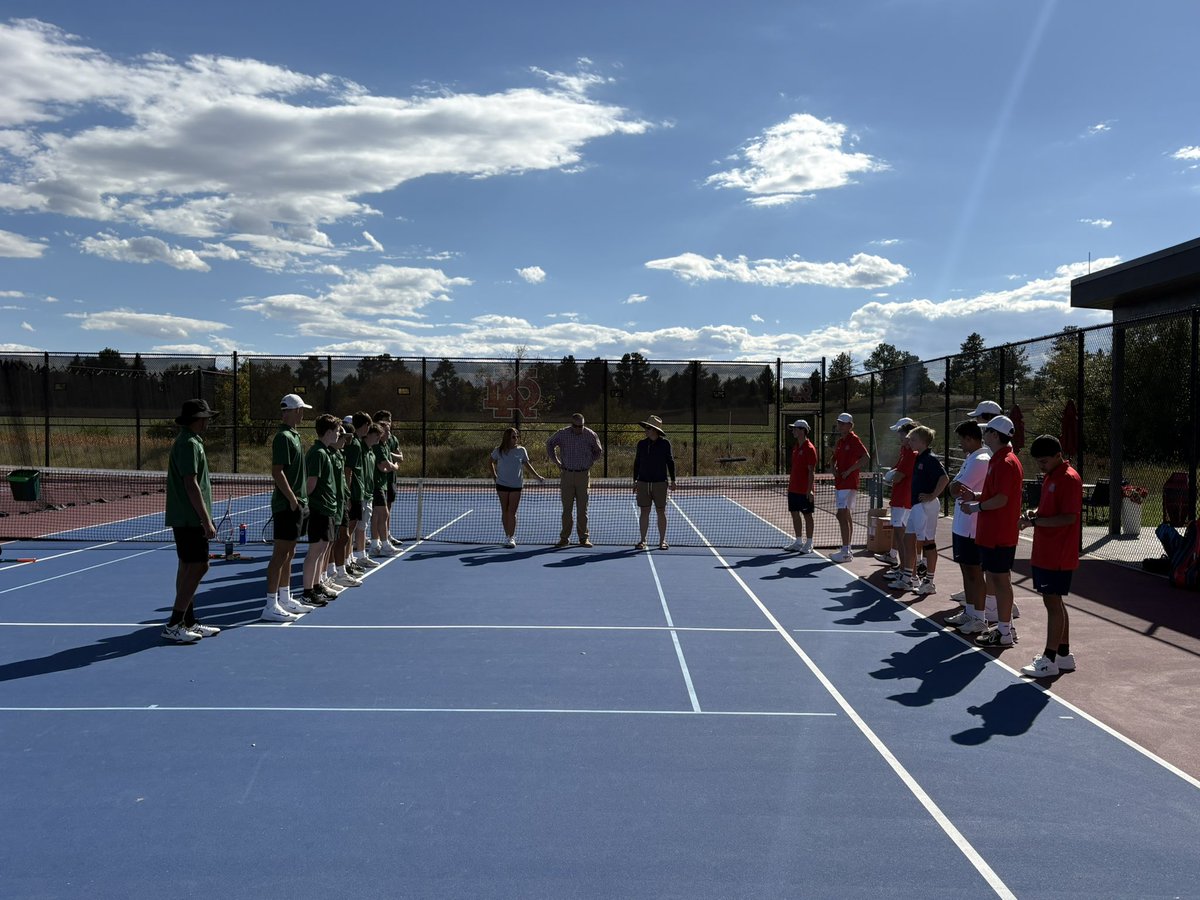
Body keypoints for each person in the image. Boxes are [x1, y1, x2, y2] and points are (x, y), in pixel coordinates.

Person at [1019, 435, 1082, 678]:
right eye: (1038, 462)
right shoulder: (1052, 476)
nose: (1041, 466)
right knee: (1055, 601)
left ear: (1058, 455)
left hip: (1057, 553)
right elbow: (1052, 511)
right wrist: (1036, 513)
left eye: (1044, 461)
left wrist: (1035, 521)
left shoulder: (1068, 478)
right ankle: (1064, 655)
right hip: (1047, 551)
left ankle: (1049, 659)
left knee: (1052, 603)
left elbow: (1069, 517)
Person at [960, 415, 1023, 647]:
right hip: (993, 531)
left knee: (1000, 580)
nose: (983, 435)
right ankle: (1005, 629)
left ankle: (1005, 631)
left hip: (999, 532)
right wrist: (975, 496)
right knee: (996, 578)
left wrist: (976, 506)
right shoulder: (998, 459)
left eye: (987, 431)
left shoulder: (1005, 462)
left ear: (995, 435)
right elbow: (994, 494)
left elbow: (1002, 499)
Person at [162, 398, 220, 643]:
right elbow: (190, 483)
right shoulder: (188, 444)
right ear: (198, 419)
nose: (208, 421)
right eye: (206, 417)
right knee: (199, 566)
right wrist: (206, 521)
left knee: (187, 566)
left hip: (186, 516)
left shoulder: (191, 441)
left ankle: (188, 620)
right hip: (189, 517)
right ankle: (175, 623)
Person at [262, 393, 315, 623]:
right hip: (287, 505)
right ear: (294, 412)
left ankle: (285, 598)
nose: (303, 413)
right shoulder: (282, 437)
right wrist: (293, 499)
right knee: (280, 554)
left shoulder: (293, 435)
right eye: (301, 410)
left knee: (289, 553)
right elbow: (277, 471)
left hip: (297, 504)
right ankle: (270, 604)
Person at [943, 421, 995, 635]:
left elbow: (955, 488)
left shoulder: (981, 460)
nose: (961, 445)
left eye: (962, 440)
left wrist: (954, 487)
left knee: (974, 571)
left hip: (973, 525)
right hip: (962, 524)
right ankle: (971, 611)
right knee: (966, 569)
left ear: (971, 439)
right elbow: (954, 487)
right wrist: (953, 487)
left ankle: (979, 618)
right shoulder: (971, 458)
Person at [891, 425, 948, 595]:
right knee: (909, 540)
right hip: (915, 505)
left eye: (913, 439)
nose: (910, 441)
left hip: (926, 506)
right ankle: (909, 578)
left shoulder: (930, 458)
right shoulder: (916, 457)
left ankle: (929, 581)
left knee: (928, 543)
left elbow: (944, 478)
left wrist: (932, 495)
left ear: (923, 442)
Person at [301, 414, 343, 608]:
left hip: (328, 507)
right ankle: (307, 592)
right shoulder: (317, 453)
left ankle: (317, 585)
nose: (339, 434)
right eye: (336, 431)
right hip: (319, 508)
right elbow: (310, 484)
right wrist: (305, 504)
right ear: (327, 432)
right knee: (315, 550)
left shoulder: (325, 452)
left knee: (323, 547)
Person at [546, 412, 603, 547]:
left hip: (583, 475)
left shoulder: (590, 434)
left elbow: (598, 450)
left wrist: (589, 462)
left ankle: (584, 538)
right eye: (576, 426)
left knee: (582, 509)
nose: (579, 428)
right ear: (572, 425)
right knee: (567, 509)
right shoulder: (563, 433)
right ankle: (564, 538)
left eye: (581, 426)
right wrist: (557, 462)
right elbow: (549, 444)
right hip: (567, 475)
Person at [490, 426, 545, 547]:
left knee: (512, 512)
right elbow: (490, 462)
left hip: (516, 485)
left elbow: (527, 464)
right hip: (501, 484)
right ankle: (507, 536)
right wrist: (494, 475)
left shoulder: (521, 450)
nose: (516, 439)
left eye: (517, 436)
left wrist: (537, 476)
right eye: (513, 437)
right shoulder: (498, 450)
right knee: (504, 511)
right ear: (507, 438)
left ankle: (512, 537)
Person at [876, 417, 916, 569]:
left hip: (903, 499)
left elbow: (900, 476)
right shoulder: (904, 450)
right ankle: (900, 564)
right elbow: (898, 470)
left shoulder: (911, 453)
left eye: (900, 432)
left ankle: (905, 569)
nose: (898, 436)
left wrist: (891, 478)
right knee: (900, 533)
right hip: (900, 498)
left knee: (902, 535)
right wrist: (892, 473)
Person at [830, 412, 869, 562]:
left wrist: (849, 470)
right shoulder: (840, 441)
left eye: (843, 423)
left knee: (841, 514)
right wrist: (833, 467)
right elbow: (833, 458)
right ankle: (847, 549)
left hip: (849, 482)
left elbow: (866, 457)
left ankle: (846, 551)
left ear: (850, 425)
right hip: (840, 483)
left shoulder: (854, 440)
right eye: (839, 422)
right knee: (845, 514)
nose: (840, 425)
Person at [633, 415, 677, 550]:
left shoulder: (665, 444)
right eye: (646, 427)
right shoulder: (641, 444)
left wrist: (673, 480)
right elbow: (637, 463)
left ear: (654, 429)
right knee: (644, 511)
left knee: (661, 511)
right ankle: (642, 540)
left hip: (660, 483)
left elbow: (670, 462)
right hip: (643, 482)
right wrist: (635, 480)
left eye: (647, 428)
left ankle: (662, 541)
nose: (645, 430)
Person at [784, 419, 817, 553]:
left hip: (804, 490)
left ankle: (809, 543)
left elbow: (811, 471)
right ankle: (798, 542)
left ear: (802, 430)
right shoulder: (796, 447)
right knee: (794, 514)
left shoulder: (809, 449)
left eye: (796, 429)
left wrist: (809, 491)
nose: (793, 431)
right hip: (793, 488)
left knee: (807, 515)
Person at [373, 409, 404, 548]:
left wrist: (390, 456)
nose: (389, 423)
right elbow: (384, 465)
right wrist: (392, 463)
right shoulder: (376, 443)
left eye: (390, 421)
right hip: (378, 482)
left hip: (389, 481)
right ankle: (377, 541)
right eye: (386, 421)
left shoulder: (392, 439)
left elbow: (401, 457)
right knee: (377, 512)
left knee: (387, 509)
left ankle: (386, 535)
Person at [369, 420, 399, 558]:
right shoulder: (378, 447)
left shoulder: (386, 446)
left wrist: (390, 466)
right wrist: (395, 467)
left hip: (383, 484)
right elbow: (384, 466)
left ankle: (376, 546)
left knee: (378, 514)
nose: (388, 433)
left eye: (389, 430)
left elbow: (387, 466)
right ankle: (383, 544)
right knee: (383, 513)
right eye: (386, 431)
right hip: (376, 485)